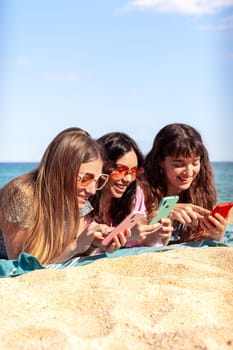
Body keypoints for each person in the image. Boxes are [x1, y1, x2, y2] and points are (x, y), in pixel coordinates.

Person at [0, 127, 129, 264]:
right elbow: (20, 266)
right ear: (61, 173)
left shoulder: (79, 202)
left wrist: (94, 243)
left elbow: (65, 256)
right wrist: (76, 245)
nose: (92, 190)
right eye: (85, 178)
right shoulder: (21, 194)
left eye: (98, 180)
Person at [140, 123, 227, 243]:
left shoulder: (200, 190)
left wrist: (216, 235)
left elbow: (199, 237)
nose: (189, 172)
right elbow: (131, 234)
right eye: (178, 164)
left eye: (195, 163)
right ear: (160, 161)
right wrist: (165, 211)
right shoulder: (141, 189)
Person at [89, 132, 173, 249]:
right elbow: (80, 245)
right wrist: (126, 236)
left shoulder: (134, 196)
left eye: (133, 171)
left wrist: (153, 236)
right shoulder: (84, 195)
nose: (128, 179)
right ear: (102, 165)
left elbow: (139, 245)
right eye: (120, 170)